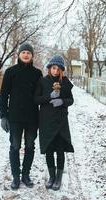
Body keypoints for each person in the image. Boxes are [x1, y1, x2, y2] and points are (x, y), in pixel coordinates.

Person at [0, 42, 43, 190]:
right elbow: (4, 95)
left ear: (32, 56)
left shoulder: (37, 74)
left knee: (30, 146)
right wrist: (3, 116)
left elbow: (41, 96)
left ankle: (25, 175)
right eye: (23, 52)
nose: (26, 55)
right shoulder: (10, 72)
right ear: (18, 54)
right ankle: (16, 177)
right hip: (15, 117)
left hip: (32, 118)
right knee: (15, 146)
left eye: (28, 53)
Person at [34, 55, 74, 191]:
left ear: (62, 70)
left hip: (61, 122)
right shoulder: (43, 81)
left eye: (58, 69)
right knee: (49, 150)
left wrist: (62, 101)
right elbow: (36, 99)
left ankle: (58, 178)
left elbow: (71, 100)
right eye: (53, 68)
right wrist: (49, 97)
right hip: (46, 121)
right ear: (49, 68)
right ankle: (51, 177)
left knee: (60, 150)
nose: (55, 71)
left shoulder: (65, 82)